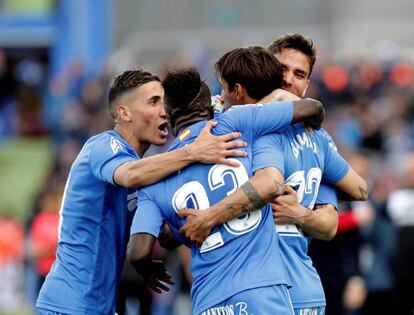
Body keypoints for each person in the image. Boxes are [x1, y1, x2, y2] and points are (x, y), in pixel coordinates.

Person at [35, 68, 249, 315]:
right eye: (153, 101)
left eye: (164, 102)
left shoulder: (151, 173)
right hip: (69, 304)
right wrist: (193, 152)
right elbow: (130, 174)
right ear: (124, 112)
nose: (163, 111)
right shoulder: (103, 145)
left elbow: (165, 233)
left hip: (99, 306)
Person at [180, 40, 367, 315]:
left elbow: (334, 219)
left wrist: (300, 214)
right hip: (252, 288)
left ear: (307, 83)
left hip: (276, 290)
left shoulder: (309, 138)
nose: (289, 80)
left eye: (299, 74)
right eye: (283, 70)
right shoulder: (228, 119)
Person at [128, 61, 326, 314]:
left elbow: (139, 251)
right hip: (261, 291)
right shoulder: (235, 122)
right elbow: (313, 108)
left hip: (208, 301)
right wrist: (276, 96)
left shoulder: (154, 177)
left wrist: (149, 270)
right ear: (209, 106)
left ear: (168, 114)